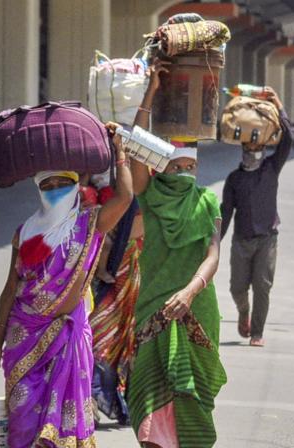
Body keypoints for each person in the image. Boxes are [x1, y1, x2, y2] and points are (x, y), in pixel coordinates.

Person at [0, 124, 134, 448]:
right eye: (47, 185)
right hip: (24, 336)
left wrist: (119, 151)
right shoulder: (25, 232)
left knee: (62, 433)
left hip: (69, 335)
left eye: (62, 183)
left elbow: (125, 197)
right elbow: (10, 288)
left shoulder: (91, 223)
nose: (55, 190)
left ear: (76, 185)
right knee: (23, 425)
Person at [126, 61, 227, 448]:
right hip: (152, 309)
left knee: (192, 400)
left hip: (196, 310)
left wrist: (190, 292)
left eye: (192, 167)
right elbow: (136, 144)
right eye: (177, 166)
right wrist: (150, 92)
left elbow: (213, 254)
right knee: (148, 404)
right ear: (161, 168)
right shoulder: (148, 197)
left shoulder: (207, 200)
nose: (185, 173)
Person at [220, 86, 293, 347]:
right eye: (250, 143)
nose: (254, 146)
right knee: (237, 288)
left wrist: (278, 103)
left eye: (258, 143)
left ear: (263, 144)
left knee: (262, 287)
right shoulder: (235, 179)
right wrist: (213, 244)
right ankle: (243, 312)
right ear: (243, 144)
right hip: (242, 240)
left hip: (267, 239)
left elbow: (288, 139)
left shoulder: (272, 168)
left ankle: (257, 333)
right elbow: (225, 213)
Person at [84, 171, 144, 425]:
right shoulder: (87, 191)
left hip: (130, 274)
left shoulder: (140, 190)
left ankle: (126, 403)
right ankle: (91, 401)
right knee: (97, 337)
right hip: (100, 276)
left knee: (129, 341)